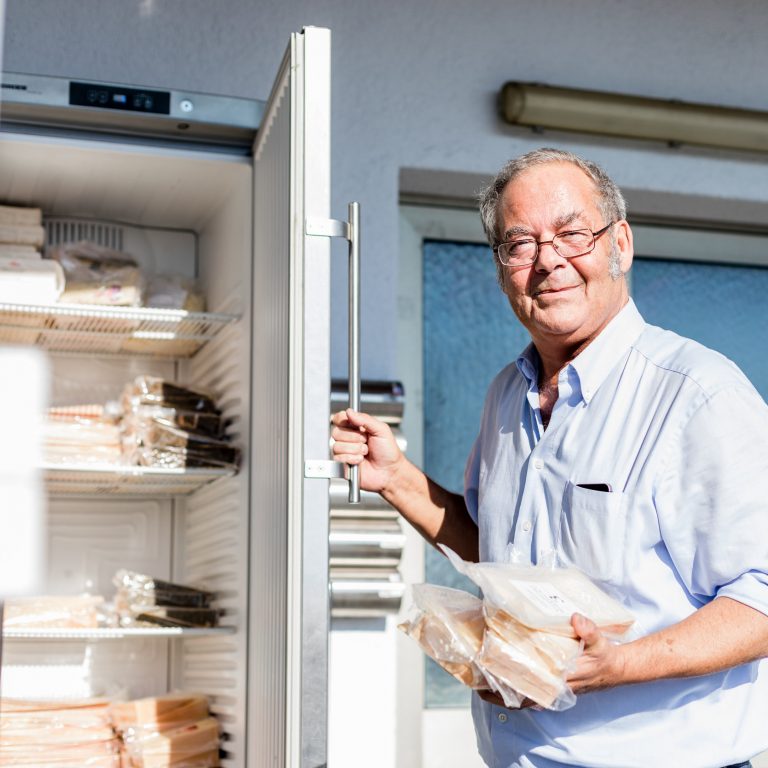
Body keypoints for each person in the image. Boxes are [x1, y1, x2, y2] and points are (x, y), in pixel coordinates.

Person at [331, 147, 768, 768]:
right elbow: (503, 553)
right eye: (520, 244)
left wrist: (619, 664)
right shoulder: (507, 396)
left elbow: (762, 596)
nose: (549, 260)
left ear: (620, 243)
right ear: (502, 267)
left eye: (572, 233)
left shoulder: (697, 395)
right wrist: (398, 479)